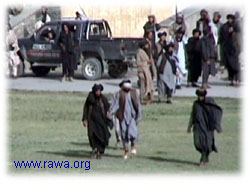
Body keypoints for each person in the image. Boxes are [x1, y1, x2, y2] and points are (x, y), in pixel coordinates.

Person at [187, 89, 223, 167]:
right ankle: (205, 157)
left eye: (201, 96)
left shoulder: (210, 103)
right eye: (199, 96)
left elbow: (216, 113)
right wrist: (189, 126)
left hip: (207, 127)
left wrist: (217, 126)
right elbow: (193, 115)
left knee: (206, 144)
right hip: (198, 127)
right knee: (197, 144)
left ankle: (203, 160)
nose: (200, 97)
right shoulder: (196, 104)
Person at [108, 80, 142, 160]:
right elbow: (116, 104)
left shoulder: (134, 93)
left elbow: (138, 106)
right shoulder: (119, 94)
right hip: (122, 117)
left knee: (132, 132)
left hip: (132, 117)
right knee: (124, 134)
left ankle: (134, 146)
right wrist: (111, 112)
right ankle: (126, 151)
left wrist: (139, 117)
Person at [82, 84, 113, 159]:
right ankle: (95, 150)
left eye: (99, 91)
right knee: (92, 135)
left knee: (103, 136)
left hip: (102, 121)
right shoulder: (90, 99)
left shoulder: (103, 99)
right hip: (92, 121)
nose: (98, 92)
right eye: (97, 91)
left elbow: (108, 108)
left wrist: (109, 116)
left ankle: (100, 151)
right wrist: (85, 119)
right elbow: (86, 109)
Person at [219, 14, 240, 86]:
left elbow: (239, 35)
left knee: (235, 65)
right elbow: (222, 36)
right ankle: (231, 80)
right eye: (229, 19)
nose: (230, 20)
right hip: (227, 48)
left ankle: (236, 79)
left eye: (231, 19)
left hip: (234, 49)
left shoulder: (236, 26)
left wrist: (233, 32)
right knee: (229, 65)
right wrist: (228, 32)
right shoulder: (225, 26)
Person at [136, 40, 155, 104]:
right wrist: (146, 62)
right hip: (142, 72)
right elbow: (138, 63)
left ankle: (149, 98)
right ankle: (142, 99)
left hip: (148, 71)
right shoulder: (139, 52)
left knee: (149, 85)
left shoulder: (148, 52)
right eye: (146, 45)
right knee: (143, 86)